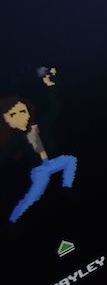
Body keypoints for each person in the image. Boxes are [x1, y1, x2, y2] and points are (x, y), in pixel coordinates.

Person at [2, 95, 77, 223]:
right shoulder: (16, 140)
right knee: (32, 197)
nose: (20, 117)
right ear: (7, 120)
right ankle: (13, 219)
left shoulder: (41, 125)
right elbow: (3, 155)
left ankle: (66, 189)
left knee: (70, 160)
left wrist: (51, 87)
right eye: (13, 114)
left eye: (22, 111)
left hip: (52, 162)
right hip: (39, 170)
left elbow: (54, 108)